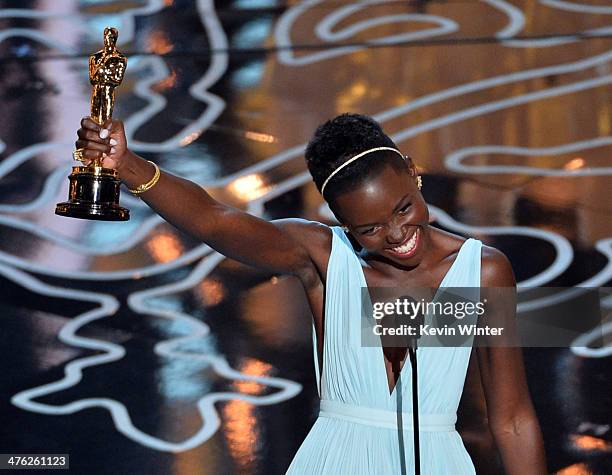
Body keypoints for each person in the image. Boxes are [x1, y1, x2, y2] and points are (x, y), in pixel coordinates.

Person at [74, 113, 547, 474]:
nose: (398, 232)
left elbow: (512, 418)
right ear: (342, 223)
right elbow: (216, 220)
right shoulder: (323, 258)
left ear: (411, 170)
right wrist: (129, 167)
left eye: (404, 208)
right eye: (370, 228)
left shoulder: (482, 272)